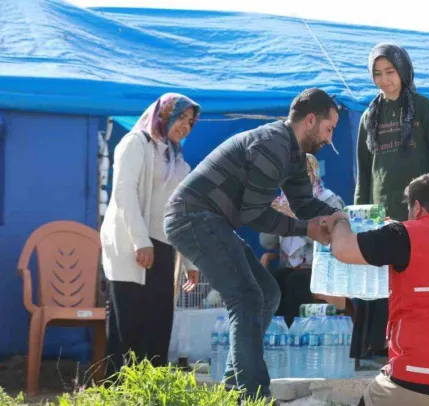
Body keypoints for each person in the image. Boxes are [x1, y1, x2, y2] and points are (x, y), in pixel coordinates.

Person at [163, 88, 341, 402]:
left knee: (267, 293)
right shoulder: (272, 144)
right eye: (329, 129)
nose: (330, 139)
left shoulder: (294, 154)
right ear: (311, 120)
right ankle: (254, 394)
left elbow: (304, 205)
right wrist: (308, 229)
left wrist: (345, 218)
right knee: (245, 298)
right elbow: (254, 214)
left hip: (211, 220)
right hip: (191, 217)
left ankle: (234, 389)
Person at [325, 173, 429, 406]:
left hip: (417, 379)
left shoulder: (404, 235)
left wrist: (340, 221)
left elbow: (343, 248)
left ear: (417, 208)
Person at [353, 43, 429, 361]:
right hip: (380, 213)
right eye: (377, 74)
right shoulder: (368, 116)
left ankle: (420, 344)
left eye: (390, 71)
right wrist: (360, 216)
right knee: (382, 282)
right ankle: (382, 345)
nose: (384, 80)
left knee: (417, 277)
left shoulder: (423, 108)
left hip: (419, 211)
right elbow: (364, 173)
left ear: (404, 71)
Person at [100, 93, 201, 378]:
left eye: (190, 122)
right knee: (129, 327)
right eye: (180, 117)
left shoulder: (177, 160)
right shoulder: (135, 143)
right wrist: (140, 240)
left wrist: (190, 262)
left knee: (158, 325)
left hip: (163, 247)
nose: (185, 126)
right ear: (164, 114)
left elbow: (181, 212)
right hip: (131, 245)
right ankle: (120, 392)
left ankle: (152, 391)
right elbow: (124, 192)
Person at [259, 153, 345, 326]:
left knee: (296, 281)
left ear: (315, 173)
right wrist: (273, 219)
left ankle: (296, 332)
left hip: (320, 267)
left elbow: (332, 240)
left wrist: (296, 219)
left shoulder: (328, 201)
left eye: (305, 172)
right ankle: (275, 333)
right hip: (290, 266)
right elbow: (266, 243)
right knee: (274, 280)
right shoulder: (283, 201)